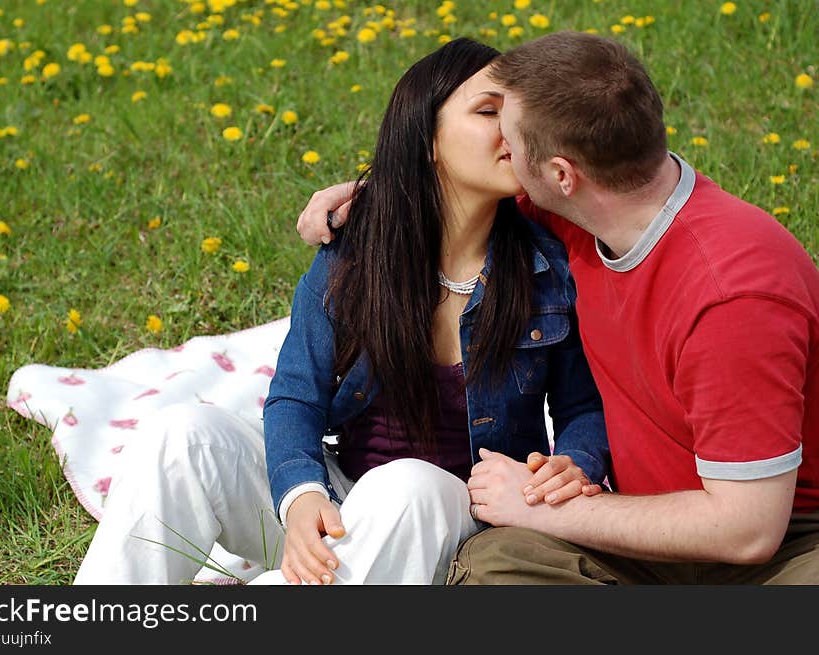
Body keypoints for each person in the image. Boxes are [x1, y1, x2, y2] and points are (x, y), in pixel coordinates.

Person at [72, 37, 610, 585]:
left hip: (458, 517)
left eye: (517, 115)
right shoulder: (358, 253)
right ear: (426, 139)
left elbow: (584, 409)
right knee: (181, 434)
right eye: (488, 111)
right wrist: (303, 498)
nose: (511, 131)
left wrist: (574, 468)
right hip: (343, 501)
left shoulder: (545, 270)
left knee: (407, 484)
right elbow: (295, 395)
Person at [296, 30, 819, 584]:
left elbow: (748, 531)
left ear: (562, 175)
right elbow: (450, 195)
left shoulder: (731, 296)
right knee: (491, 569)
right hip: (641, 531)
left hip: (785, 541)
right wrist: (373, 197)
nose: (502, 148)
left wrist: (551, 508)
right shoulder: (586, 214)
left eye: (512, 139)